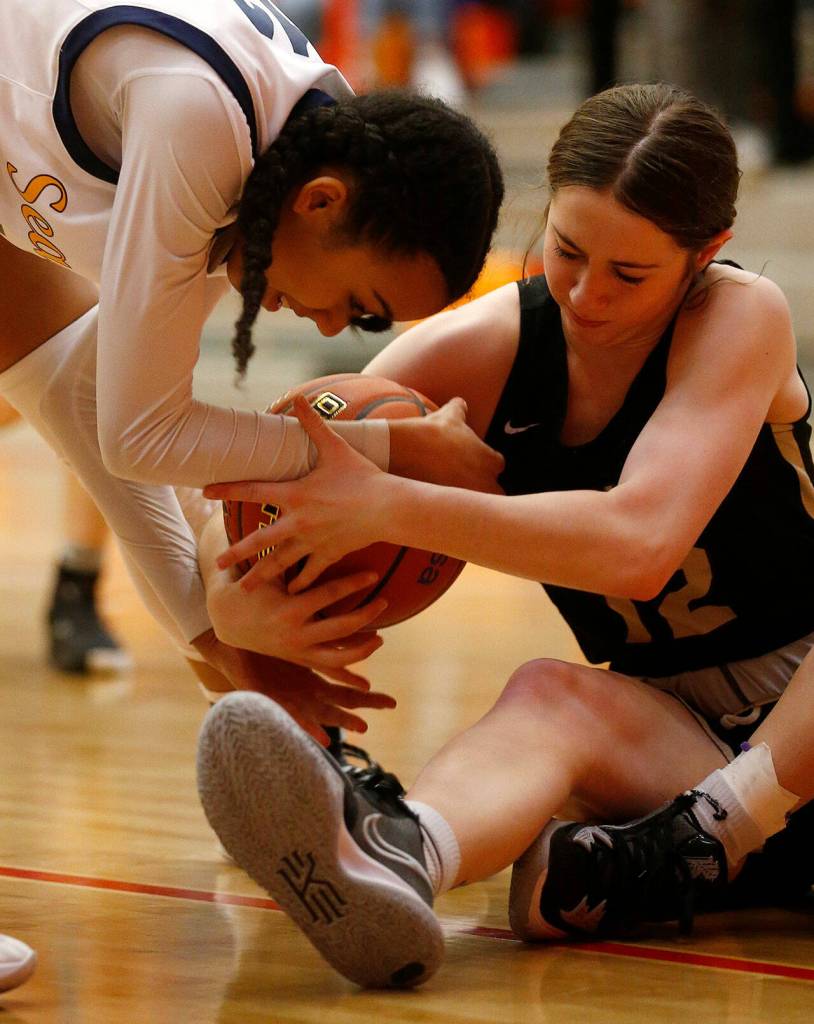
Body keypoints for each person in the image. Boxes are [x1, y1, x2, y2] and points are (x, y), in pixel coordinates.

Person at [198, 81, 814, 988]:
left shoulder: (741, 316)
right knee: (550, 694)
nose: (587, 293)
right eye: (566, 250)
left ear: (706, 253)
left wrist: (390, 507)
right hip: (684, 739)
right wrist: (235, 601)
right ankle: (396, 857)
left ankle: (699, 848)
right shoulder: (490, 345)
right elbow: (272, 480)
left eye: (631, 274)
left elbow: (639, 545)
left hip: (797, 723)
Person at [0, 0, 504, 732]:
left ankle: (275, 734)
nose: (333, 325)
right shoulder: (203, 124)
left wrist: (239, 659)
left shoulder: (288, 152)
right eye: (358, 303)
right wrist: (386, 448)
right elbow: (139, 438)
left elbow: (120, 435)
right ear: (322, 203)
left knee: (71, 386)